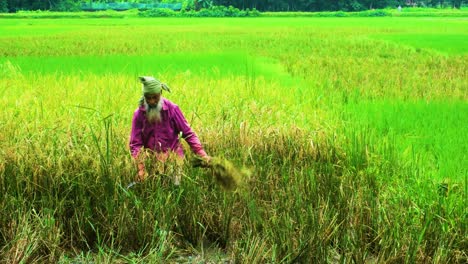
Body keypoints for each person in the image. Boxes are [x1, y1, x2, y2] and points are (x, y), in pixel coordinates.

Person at [129, 76, 210, 185]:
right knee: (155, 191)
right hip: (152, 162)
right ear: (144, 96)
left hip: (174, 159)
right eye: (148, 98)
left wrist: (202, 154)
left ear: (161, 93)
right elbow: (135, 144)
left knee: (174, 189)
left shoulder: (172, 109)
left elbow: (188, 134)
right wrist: (141, 169)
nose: (152, 101)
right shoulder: (139, 114)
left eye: (155, 97)